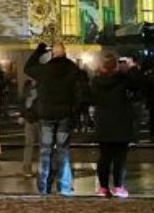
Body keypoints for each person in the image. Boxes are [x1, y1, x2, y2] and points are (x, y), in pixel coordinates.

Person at [25, 41, 81, 196]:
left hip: (47, 114)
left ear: (52, 54)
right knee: (63, 151)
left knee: (45, 152)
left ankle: (43, 187)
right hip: (64, 114)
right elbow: (80, 91)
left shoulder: (44, 70)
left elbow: (27, 67)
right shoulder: (72, 69)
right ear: (64, 53)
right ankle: (64, 186)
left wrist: (38, 51)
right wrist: (75, 110)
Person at [89, 50, 138, 198]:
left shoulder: (96, 82)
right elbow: (138, 85)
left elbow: (90, 97)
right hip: (120, 121)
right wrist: (129, 70)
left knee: (104, 157)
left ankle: (103, 187)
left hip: (103, 121)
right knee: (120, 157)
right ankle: (118, 186)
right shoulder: (123, 80)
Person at [20, 78, 40, 177]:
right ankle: (27, 167)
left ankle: (45, 166)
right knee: (29, 144)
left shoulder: (42, 87)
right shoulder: (27, 88)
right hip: (31, 119)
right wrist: (23, 114)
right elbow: (23, 102)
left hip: (40, 119)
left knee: (44, 145)